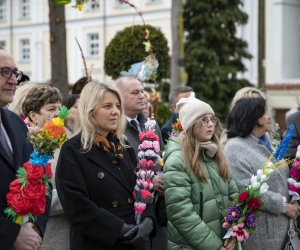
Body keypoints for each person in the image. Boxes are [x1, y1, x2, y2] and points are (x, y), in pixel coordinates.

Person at [56, 81, 155, 250]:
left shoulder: (125, 146)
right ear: (90, 111)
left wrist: (148, 220)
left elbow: (143, 186)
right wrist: (118, 229)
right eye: (107, 106)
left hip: (134, 238)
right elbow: (76, 204)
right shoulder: (73, 150)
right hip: (99, 241)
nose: (115, 112)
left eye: (117, 106)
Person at [224, 97, 300, 250]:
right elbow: (246, 189)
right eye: (264, 113)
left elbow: (281, 177)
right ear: (253, 118)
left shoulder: (265, 143)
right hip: (262, 235)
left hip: (280, 230)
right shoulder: (235, 148)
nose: (269, 117)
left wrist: (294, 196)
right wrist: (284, 205)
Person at [163, 97, 238, 250]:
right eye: (203, 120)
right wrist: (215, 246)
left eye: (212, 119)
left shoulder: (216, 154)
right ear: (191, 125)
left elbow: (233, 195)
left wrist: (234, 233)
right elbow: (181, 214)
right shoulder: (177, 160)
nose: (210, 124)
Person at [0, 49, 48, 250]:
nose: (13, 80)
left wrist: (34, 227)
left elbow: (39, 179)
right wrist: (12, 234)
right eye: (4, 72)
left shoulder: (16, 124)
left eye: (15, 73)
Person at [21, 85, 68, 250]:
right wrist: (75, 196)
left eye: (59, 107)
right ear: (33, 116)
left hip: (70, 234)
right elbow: (27, 195)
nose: (57, 113)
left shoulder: (66, 141)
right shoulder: (26, 146)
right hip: (42, 238)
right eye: (51, 108)